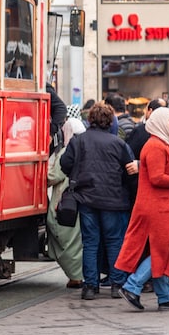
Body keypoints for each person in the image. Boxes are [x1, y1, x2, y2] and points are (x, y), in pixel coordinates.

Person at [115, 107, 169, 311]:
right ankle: (132, 286)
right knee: (162, 250)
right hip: (159, 209)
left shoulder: (161, 144)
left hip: (163, 207)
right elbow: (157, 178)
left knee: (162, 250)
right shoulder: (155, 146)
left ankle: (165, 295)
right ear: (160, 123)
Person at [60, 103, 138, 300]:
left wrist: (77, 174)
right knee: (114, 242)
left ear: (90, 120)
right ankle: (116, 283)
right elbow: (130, 172)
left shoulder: (79, 141)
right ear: (110, 121)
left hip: (87, 198)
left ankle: (90, 286)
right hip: (114, 200)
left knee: (90, 242)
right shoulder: (119, 143)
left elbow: (64, 163)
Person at [47, 117, 85, 288]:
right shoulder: (87, 148)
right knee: (77, 240)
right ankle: (80, 276)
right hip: (82, 200)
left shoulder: (66, 151)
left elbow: (53, 176)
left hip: (65, 201)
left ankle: (76, 276)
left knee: (63, 237)